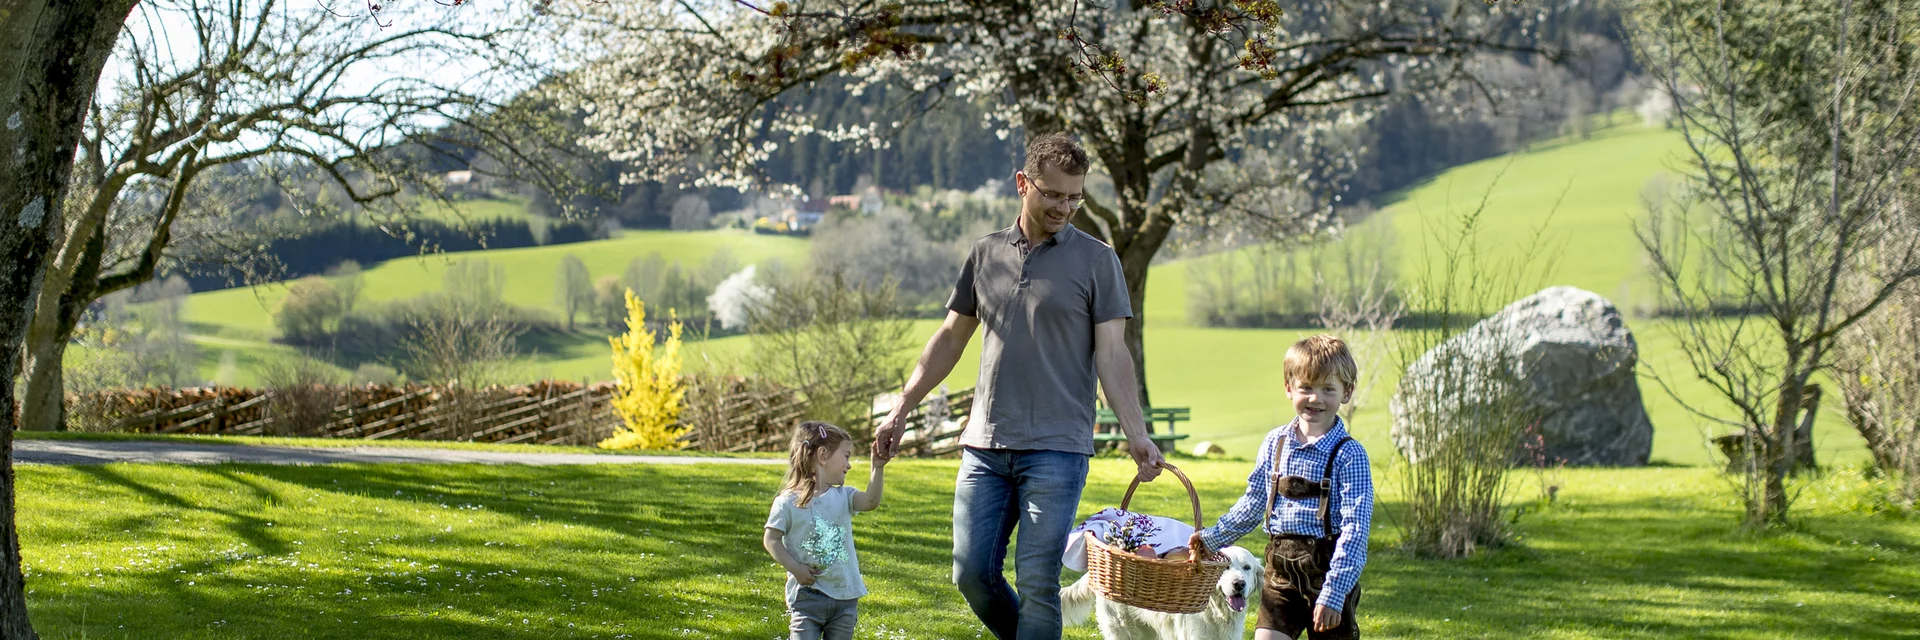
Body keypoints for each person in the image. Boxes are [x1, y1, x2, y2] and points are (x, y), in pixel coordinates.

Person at [871, 132, 1166, 640]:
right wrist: (902, 408)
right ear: (1022, 183)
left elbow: (1113, 354)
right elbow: (949, 338)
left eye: (1075, 197)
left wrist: (1136, 431)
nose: (1064, 207)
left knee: (1037, 582)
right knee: (972, 574)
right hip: (984, 444)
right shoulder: (985, 253)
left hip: (1057, 446)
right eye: (1053, 194)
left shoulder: (1098, 261)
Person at [1187, 335, 1374, 640]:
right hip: (1280, 574)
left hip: (1327, 575)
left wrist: (1335, 593)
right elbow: (1253, 502)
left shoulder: (1349, 455)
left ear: (1347, 392)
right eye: (1306, 388)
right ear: (1289, 387)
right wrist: (1211, 539)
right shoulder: (1276, 443)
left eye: (1328, 389)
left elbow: (1355, 531)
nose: (1316, 399)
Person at [764, 421, 888, 640]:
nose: (849, 465)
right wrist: (795, 568)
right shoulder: (787, 502)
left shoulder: (843, 496)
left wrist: (877, 467)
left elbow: (870, 501)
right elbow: (771, 539)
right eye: (846, 456)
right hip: (807, 597)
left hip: (845, 597)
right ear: (822, 456)